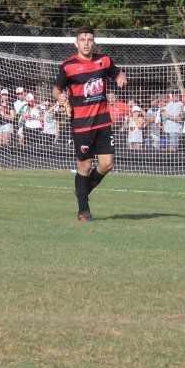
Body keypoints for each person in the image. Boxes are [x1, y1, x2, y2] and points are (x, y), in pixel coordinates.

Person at [53, 25, 127, 222]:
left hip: (103, 122)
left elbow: (118, 73)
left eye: (89, 40)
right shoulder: (68, 66)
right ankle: (83, 211)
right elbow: (56, 89)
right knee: (84, 166)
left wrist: (121, 76)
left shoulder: (104, 61)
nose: (86, 43)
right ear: (76, 43)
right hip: (82, 125)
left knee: (107, 164)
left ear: (94, 42)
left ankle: (82, 191)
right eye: (83, 40)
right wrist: (60, 97)